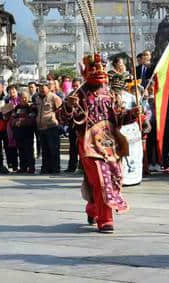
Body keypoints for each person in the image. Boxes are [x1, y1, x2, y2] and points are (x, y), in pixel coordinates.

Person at [58, 53, 139, 233]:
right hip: (89, 144)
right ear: (86, 71)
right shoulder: (78, 94)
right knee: (102, 180)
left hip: (110, 144)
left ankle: (93, 208)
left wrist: (133, 114)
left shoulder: (111, 94)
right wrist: (69, 106)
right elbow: (61, 118)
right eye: (94, 67)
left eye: (101, 66)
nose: (99, 70)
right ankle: (106, 220)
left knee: (114, 178)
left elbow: (119, 118)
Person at [35, 80, 63, 174]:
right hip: (41, 127)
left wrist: (57, 122)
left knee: (53, 149)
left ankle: (55, 168)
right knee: (45, 149)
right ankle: (45, 168)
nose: (42, 89)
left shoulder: (54, 97)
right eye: (40, 87)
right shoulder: (37, 98)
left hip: (52, 126)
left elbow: (61, 111)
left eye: (44, 87)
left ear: (48, 87)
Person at [9, 90, 36, 174]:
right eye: (21, 98)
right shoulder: (17, 108)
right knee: (21, 151)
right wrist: (15, 121)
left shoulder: (31, 107)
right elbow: (12, 118)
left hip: (28, 132)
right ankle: (23, 167)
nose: (23, 99)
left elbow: (31, 119)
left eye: (25, 98)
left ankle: (31, 167)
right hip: (18, 133)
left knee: (29, 151)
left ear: (28, 98)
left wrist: (21, 121)